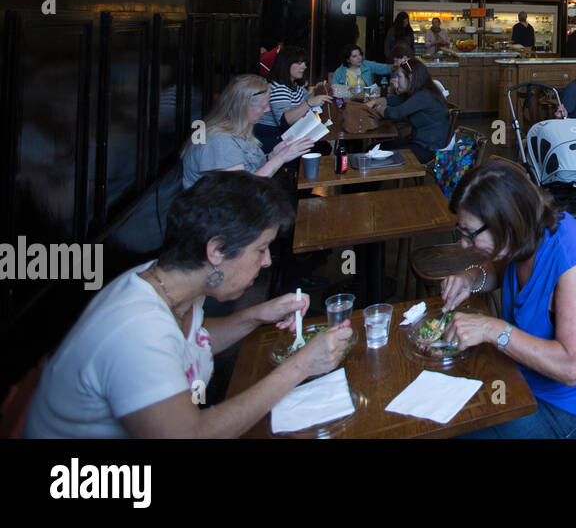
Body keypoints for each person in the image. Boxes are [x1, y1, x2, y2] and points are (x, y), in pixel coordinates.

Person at [23, 173, 351, 438]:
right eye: (261, 249)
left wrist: (254, 316)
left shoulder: (165, 280)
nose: (267, 262)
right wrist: (300, 366)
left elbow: (192, 339)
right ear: (217, 251)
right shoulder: (135, 331)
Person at [440, 161, 576, 437]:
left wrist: (492, 328)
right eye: (460, 232)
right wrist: (471, 279)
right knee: (452, 403)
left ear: (507, 227)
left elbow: (570, 367)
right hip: (526, 377)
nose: (463, 244)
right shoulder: (522, 238)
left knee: (461, 425)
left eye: (469, 234)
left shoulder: (570, 262)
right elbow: (502, 272)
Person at [181, 75, 315, 190]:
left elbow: (247, 171)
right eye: (263, 106)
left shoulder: (237, 129)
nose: (268, 110)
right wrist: (281, 158)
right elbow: (242, 191)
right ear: (243, 107)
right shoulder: (219, 142)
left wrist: (273, 155)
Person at [366, 59, 451, 162]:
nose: (395, 80)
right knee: (373, 147)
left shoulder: (423, 95)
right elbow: (397, 100)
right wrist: (376, 101)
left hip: (429, 149)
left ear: (410, 78)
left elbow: (395, 113)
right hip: (420, 142)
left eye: (399, 77)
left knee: (373, 153)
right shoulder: (421, 90)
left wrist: (378, 108)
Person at [256, 46, 329, 152]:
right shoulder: (279, 88)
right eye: (299, 63)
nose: (304, 67)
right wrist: (310, 102)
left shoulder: (294, 85)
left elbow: (303, 102)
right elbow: (284, 121)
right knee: (321, 148)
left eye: (304, 63)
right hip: (273, 138)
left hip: (286, 134)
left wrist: (315, 92)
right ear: (286, 64)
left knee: (323, 147)